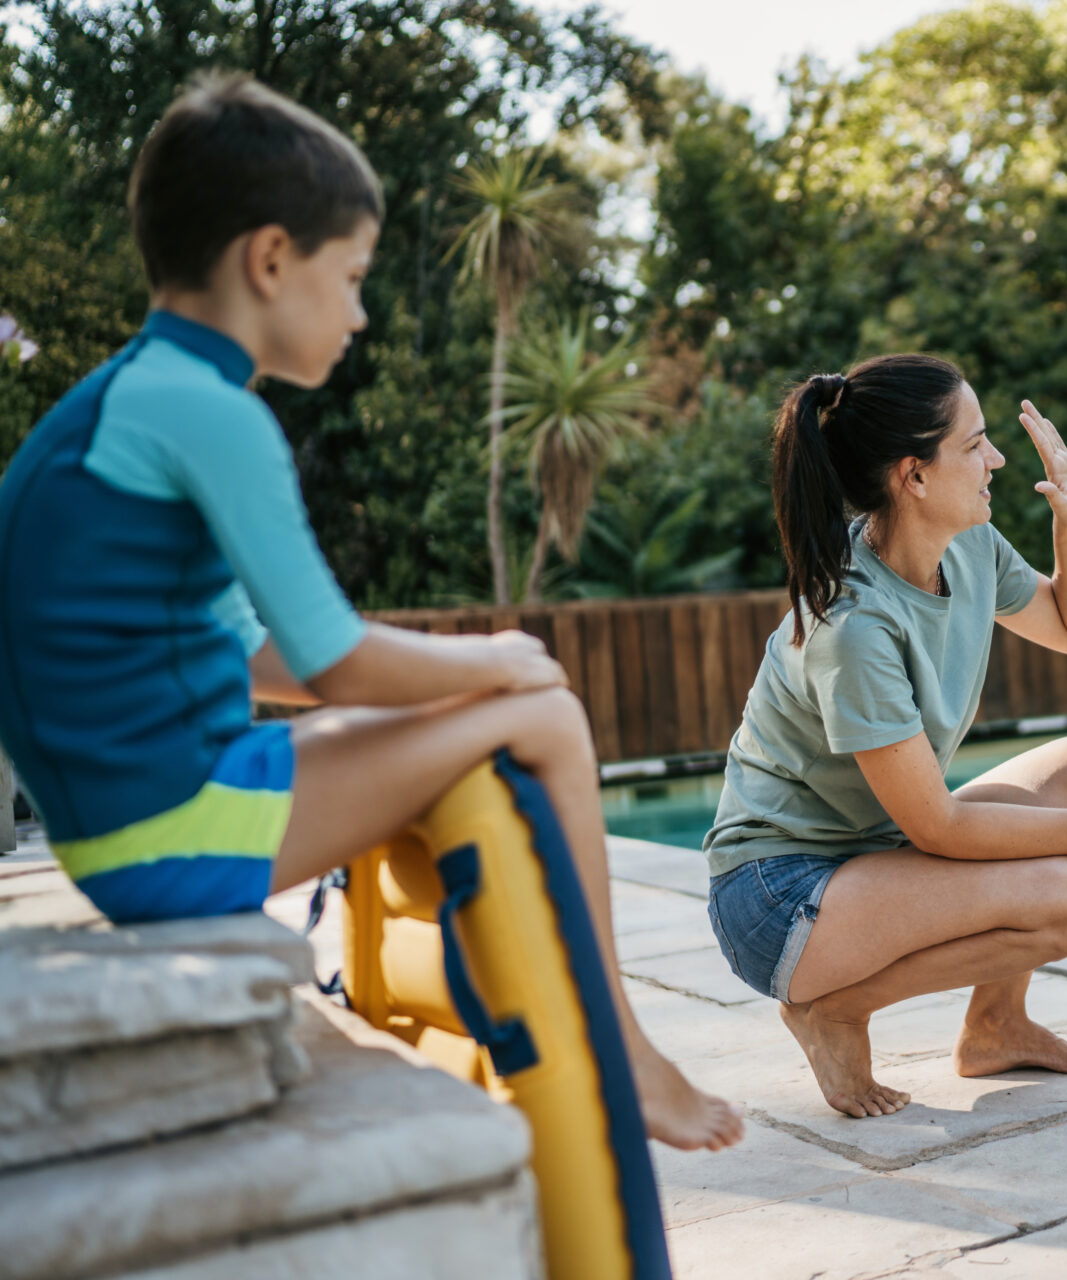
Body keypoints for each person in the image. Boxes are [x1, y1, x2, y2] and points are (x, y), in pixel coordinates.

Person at [0, 72, 741, 1153]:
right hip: (172, 833)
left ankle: (526, 996)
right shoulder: (214, 416)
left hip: (117, 828)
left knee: (467, 707)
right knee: (548, 715)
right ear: (268, 260)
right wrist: (498, 659)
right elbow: (333, 657)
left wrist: (471, 672)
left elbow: (258, 651)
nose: (357, 312)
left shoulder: (120, 401)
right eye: (350, 277)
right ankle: (617, 1040)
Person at [706, 354, 1067, 1118]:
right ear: (913, 476)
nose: (998, 459)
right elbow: (937, 825)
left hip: (867, 855)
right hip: (778, 896)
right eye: (975, 443)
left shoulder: (967, 545)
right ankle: (833, 1009)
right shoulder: (852, 626)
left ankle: (995, 1026)